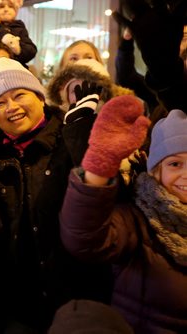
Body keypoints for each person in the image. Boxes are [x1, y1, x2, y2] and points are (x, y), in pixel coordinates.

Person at [0, 57, 113, 332]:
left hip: (77, 301)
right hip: (18, 310)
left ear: (40, 98)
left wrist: (83, 142)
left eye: (19, 95)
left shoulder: (69, 136)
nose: (11, 107)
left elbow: (106, 202)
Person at [60, 97, 187, 332]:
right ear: (156, 171)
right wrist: (100, 164)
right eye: (175, 164)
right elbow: (84, 238)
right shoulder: (138, 218)